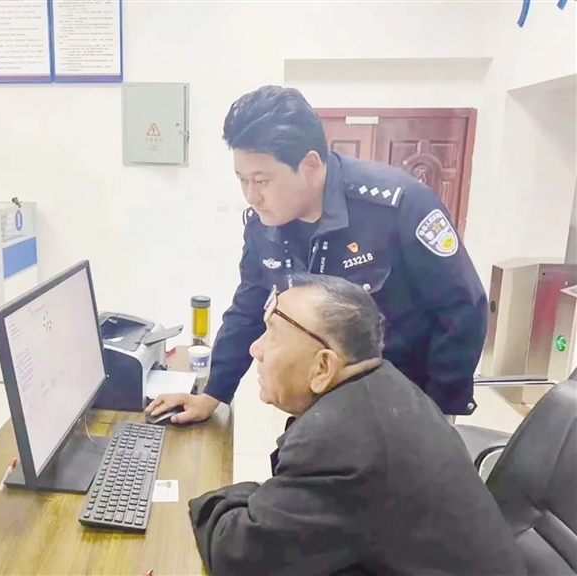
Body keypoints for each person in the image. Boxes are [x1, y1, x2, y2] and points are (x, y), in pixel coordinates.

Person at [147, 85, 488, 425]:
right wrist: (213, 393)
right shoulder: (264, 225)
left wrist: (436, 412)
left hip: (401, 407)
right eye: (242, 180)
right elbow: (248, 308)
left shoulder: (397, 206)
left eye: (262, 181)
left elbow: (463, 307)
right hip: (317, 406)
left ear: (310, 165)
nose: (251, 196)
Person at [188, 275, 525, 576]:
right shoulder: (385, 385)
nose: (255, 348)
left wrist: (218, 495)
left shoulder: (338, 446)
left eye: (272, 334)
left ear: (323, 367)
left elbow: (238, 556)